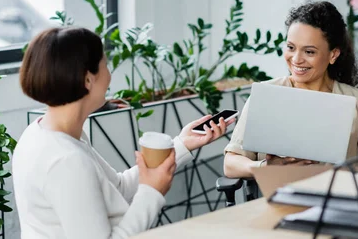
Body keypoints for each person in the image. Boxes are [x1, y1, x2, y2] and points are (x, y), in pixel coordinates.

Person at [12, 27, 234, 239]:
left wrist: (182, 144)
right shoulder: (66, 160)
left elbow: (118, 188)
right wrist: (152, 192)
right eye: (105, 65)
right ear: (88, 80)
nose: (109, 76)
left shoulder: (43, 132)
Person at [223, 1, 358, 178]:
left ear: (333, 54)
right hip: (281, 200)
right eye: (291, 47)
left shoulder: (357, 100)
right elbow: (231, 164)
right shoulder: (264, 95)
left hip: (342, 200)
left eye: (309, 52)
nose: (296, 59)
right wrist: (265, 167)